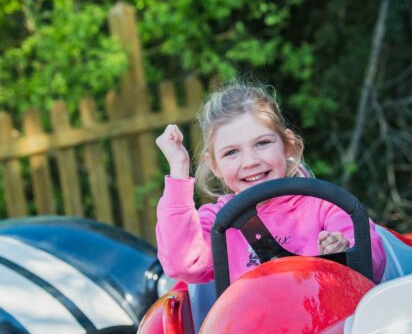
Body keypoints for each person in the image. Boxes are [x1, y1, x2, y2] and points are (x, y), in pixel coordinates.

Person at [155, 80, 386, 285]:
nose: (250, 161)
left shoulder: (324, 205)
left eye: (262, 143)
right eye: (232, 152)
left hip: (324, 324)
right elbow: (181, 263)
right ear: (214, 165)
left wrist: (342, 252)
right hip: (256, 332)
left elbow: (371, 260)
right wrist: (179, 168)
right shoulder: (218, 224)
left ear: (287, 146)